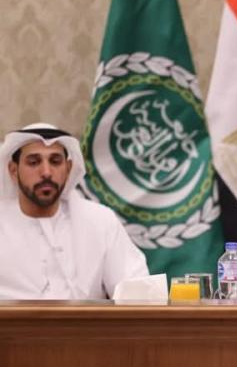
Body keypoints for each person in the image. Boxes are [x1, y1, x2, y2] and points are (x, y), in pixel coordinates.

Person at [0, 124, 149, 299]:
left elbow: (137, 292)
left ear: (68, 168)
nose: (46, 172)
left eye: (55, 161)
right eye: (34, 162)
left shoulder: (100, 221)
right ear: (13, 170)